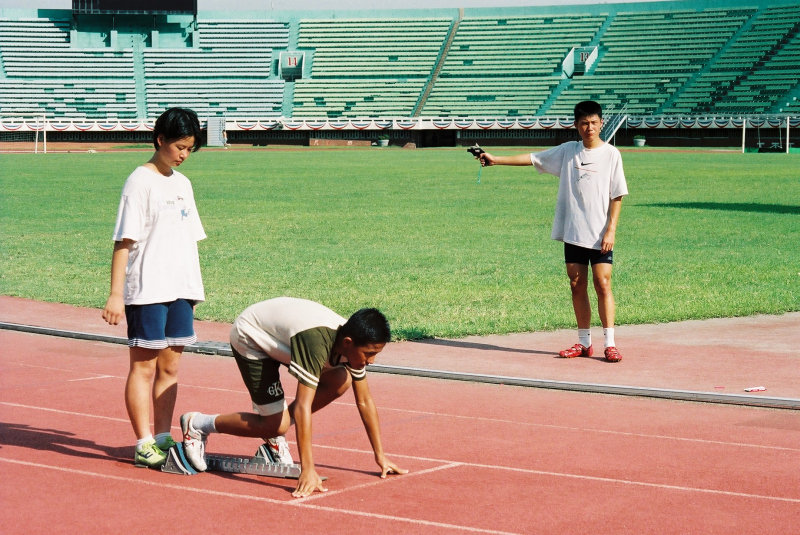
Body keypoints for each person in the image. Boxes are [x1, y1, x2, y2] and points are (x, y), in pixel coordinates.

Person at [180, 296, 408, 498]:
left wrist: (381, 456)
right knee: (275, 425)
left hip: (283, 339)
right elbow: (303, 406)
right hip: (252, 336)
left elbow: (365, 401)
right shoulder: (317, 342)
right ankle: (198, 424)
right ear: (348, 343)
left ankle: (272, 433)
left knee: (341, 380)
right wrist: (307, 469)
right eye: (369, 354)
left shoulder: (351, 343)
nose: (372, 361)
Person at [478, 100, 628, 362]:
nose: (589, 127)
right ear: (576, 125)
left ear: (601, 123)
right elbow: (533, 158)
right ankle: (584, 343)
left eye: (593, 122)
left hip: (600, 233)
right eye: (584, 123)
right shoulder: (568, 151)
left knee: (603, 283)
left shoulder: (611, 154)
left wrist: (611, 230)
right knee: (576, 284)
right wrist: (496, 160)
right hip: (573, 231)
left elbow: (617, 195)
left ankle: (610, 343)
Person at [101, 107, 206, 468]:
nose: (184, 155)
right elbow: (123, 242)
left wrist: (192, 289)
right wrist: (116, 294)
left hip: (180, 288)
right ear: (160, 140)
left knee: (171, 367)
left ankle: (163, 436)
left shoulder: (183, 184)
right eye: (179, 146)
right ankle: (143, 441)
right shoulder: (139, 181)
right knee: (143, 366)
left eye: (190, 148)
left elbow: (188, 239)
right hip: (147, 289)